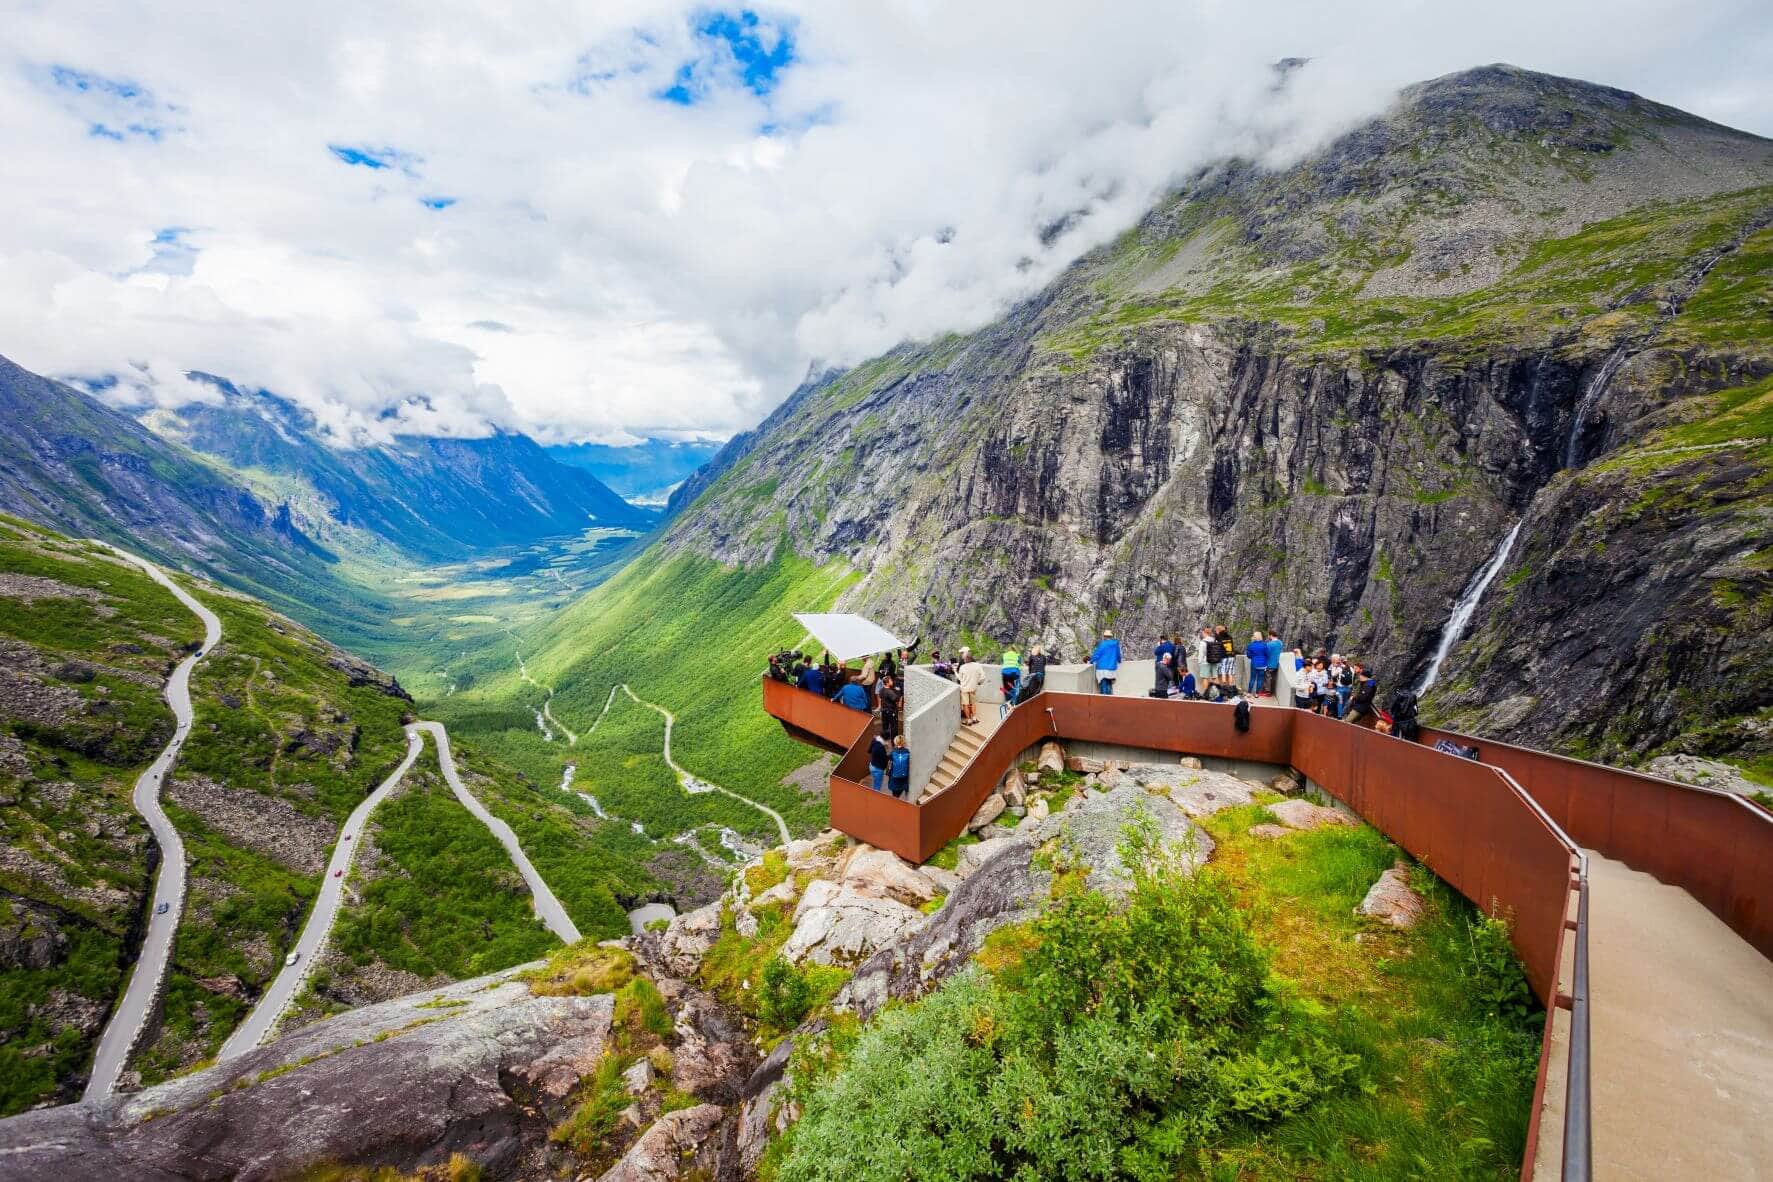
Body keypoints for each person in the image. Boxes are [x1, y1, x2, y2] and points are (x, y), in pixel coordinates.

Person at [956, 649, 985, 726]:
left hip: (964, 689)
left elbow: (960, 678)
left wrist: (955, 671)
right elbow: (983, 677)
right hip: (973, 688)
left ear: (966, 659)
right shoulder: (977, 665)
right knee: (973, 703)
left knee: (965, 704)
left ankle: (968, 720)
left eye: (964, 658)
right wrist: (979, 682)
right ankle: (974, 718)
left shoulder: (962, 667)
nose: (964, 659)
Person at [1091, 629, 1122, 695]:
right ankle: (1110, 700)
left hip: (1102, 668)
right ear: (1111, 637)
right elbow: (1118, 655)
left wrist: (1091, 661)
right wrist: (1119, 661)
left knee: (1103, 685)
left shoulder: (1102, 644)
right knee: (1109, 684)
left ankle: (1104, 700)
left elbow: (1097, 654)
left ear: (1104, 636)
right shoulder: (1115, 644)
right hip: (1112, 668)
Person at [878, 673, 903, 739]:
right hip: (891, 711)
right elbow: (896, 699)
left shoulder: (881, 690)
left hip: (884, 711)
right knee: (894, 727)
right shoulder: (889, 692)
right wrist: (898, 691)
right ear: (887, 683)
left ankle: (885, 739)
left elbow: (880, 696)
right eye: (891, 681)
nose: (892, 682)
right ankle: (894, 742)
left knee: (885, 726)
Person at [1214, 626, 1238, 692]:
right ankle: (1230, 688)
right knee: (1230, 672)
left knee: (1223, 671)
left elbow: (1216, 646)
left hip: (1224, 656)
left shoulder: (1218, 637)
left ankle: (1224, 688)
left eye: (1216, 630)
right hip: (1232, 656)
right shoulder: (1229, 636)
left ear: (1218, 630)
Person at [1247, 631, 1267, 696]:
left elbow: (1249, 656)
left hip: (1254, 663)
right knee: (1260, 679)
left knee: (1252, 678)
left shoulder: (1250, 645)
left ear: (1254, 637)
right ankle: (1257, 693)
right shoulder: (1264, 645)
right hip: (1262, 664)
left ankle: (1249, 693)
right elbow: (1267, 654)